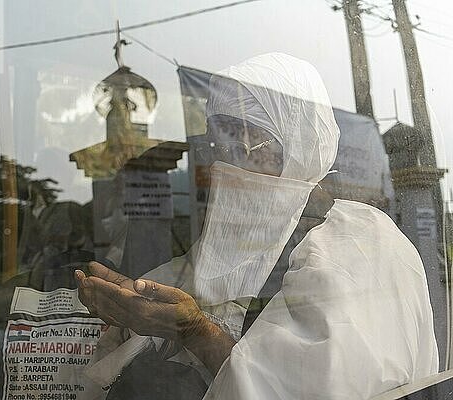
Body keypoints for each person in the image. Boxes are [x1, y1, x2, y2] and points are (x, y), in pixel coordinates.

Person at [75, 53, 438, 400]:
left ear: (300, 144)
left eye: (247, 145)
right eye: (219, 144)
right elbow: (192, 278)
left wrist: (195, 331)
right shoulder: (246, 238)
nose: (226, 164)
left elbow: (319, 388)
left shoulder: (359, 244)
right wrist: (135, 300)